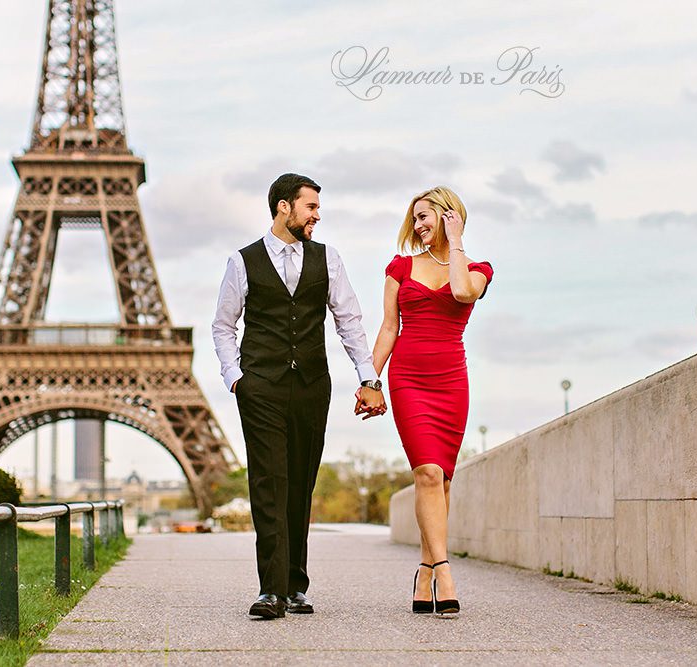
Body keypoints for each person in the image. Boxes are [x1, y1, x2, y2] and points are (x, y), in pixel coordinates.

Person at [212, 173, 387, 619]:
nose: (317, 215)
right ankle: (271, 590)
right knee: (270, 482)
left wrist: (368, 378)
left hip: (311, 385)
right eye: (310, 207)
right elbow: (223, 325)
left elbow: (349, 320)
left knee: (300, 483)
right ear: (283, 207)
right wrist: (237, 378)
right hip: (262, 386)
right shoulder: (242, 261)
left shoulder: (328, 260)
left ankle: (295, 586)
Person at [368, 186, 494, 616]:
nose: (418, 226)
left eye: (425, 217)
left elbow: (461, 293)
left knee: (441, 481)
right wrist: (371, 379)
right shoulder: (400, 267)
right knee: (425, 471)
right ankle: (444, 570)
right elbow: (388, 328)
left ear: (449, 215)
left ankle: (424, 572)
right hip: (409, 378)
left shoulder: (478, 269)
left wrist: (455, 243)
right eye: (414, 218)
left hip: (451, 381)